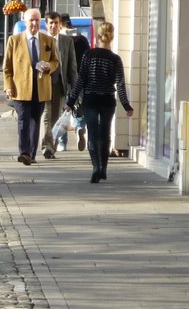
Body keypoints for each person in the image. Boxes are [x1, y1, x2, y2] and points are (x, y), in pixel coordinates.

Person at [66, 21, 134, 183]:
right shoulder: (115, 59)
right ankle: (103, 167)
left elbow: (80, 80)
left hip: (90, 99)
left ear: (97, 36)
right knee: (105, 133)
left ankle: (95, 166)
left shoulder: (88, 55)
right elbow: (121, 84)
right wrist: (126, 105)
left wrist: (71, 101)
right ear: (112, 37)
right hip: (107, 100)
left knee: (93, 133)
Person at [3, 8, 59, 166]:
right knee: (23, 119)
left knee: (35, 120)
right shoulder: (14, 40)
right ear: (25, 22)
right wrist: (8, 86)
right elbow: (7, 67)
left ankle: (32, 153)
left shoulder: (48, 40)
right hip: (20, 88)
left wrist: (49, 65)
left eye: (37, 20)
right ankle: (24, 152)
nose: (34, 23)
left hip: (40, 87)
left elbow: (56, 61)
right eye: (31, 20)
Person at [40, 11, 78, 158]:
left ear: (59, 24)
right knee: (46, 116)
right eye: (51, 23)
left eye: (56, 23)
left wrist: (76, 91)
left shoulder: (67, 42)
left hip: (59, 85)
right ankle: (47, 147)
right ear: (47, 24)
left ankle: (52, 146)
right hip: (44, 84)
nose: (53, 26)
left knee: (56, 118)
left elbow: (72, 68)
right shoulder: (41, 41)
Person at [61, 14, 89, 150]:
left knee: (63, 108)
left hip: (63, 79)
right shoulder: (82, 40)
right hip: (80, 78)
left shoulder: (61, 40)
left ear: (60, 24)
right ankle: (79, 127)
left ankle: (62, 141)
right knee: (78, 105)